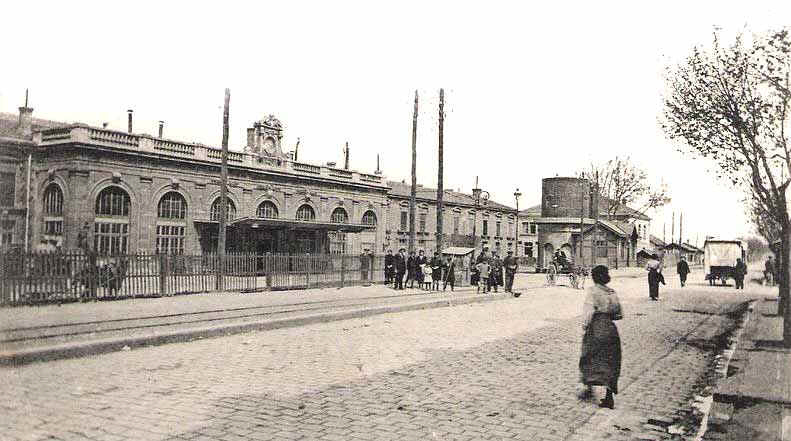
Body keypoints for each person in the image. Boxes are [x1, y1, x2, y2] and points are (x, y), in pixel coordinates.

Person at [579, 265, 623, 409]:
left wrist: (585, 327)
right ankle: (609, 396)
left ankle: (588, 386)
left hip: (596, 327)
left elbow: (588, 312)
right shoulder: (612, 292)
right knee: (611, 361)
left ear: (594, 277)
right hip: (610, 329)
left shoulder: (593, 292)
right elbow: (619, 314)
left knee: (588, 356)